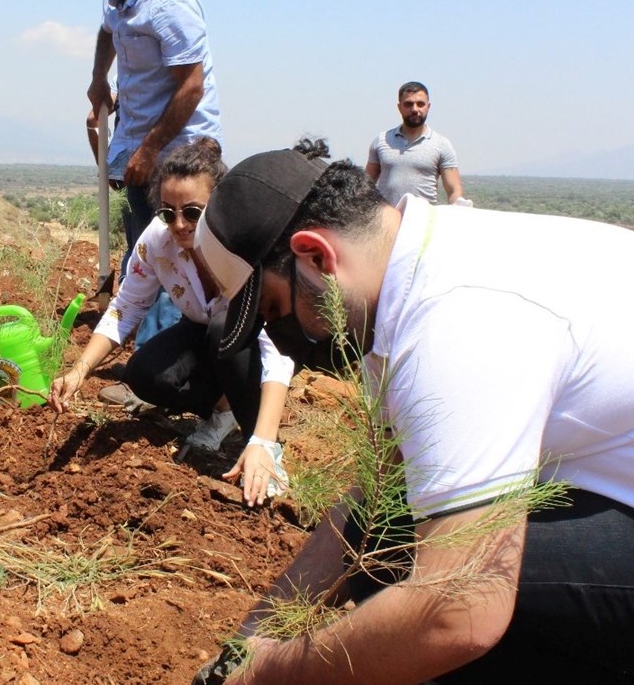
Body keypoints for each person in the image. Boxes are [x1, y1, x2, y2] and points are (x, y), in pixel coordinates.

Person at [191, 146, 634, 682]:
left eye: (275, 311)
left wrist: (267, 674)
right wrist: (245, 647)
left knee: (402, 580)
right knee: (381, 536)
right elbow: (372, 497)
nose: (283, 341)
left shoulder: (455, 322)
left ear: (314, 256)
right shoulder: (409, 269)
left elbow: (459, 612)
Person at [49, 138, 293, 507]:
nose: (179, 224)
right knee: (145, 375)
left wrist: (264, 439)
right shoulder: (157, 242)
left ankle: (257, 440)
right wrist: (80, 370)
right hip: (206, 332)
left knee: (223, 331)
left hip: (259, 338)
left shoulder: (245, 244)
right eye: (168, 212)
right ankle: (223, 412)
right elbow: (126, 306)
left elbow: (276, 348)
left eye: (193, 212)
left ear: (219, 203)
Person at [81, 0, 222, 264]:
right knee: (143, 250)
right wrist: (99, 78)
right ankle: (136, 313)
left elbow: (191, 87)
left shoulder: (169, 4)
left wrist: (149, 151)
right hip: (138, 140)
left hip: (179, 151)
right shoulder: (115, 0)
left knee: (181, 254)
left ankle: (171, 318)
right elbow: (107, 30)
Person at [366, 81, 469, 206]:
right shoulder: (381, 141)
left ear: (428, 107)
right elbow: (366, 185)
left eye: (420, 104)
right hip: (387, 221)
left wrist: (459, 206)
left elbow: (453, 190)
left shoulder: (442, 144)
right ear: (399, 107)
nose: (415, 109)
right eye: (408, 104)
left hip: (423, 222)